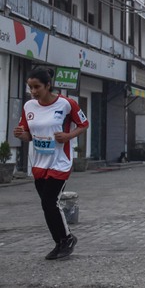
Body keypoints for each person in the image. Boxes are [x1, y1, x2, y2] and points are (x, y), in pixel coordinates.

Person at [13, 67, 89, 260]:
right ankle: (63, 240)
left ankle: (65, 240)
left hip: (59, 162)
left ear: (48, 85)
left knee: (50, 202)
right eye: (30, 87)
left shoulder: (66, 104)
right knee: (47, 205)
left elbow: (83, 124)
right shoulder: (29, 106)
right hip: (39, 163)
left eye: (37, 87)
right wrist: (23, 136)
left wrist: (68, 136)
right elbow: (29, 134)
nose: (34, 91)